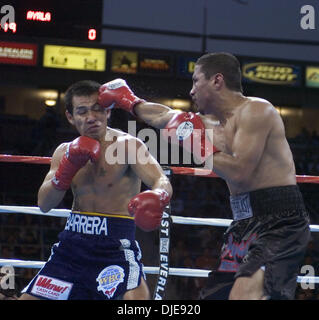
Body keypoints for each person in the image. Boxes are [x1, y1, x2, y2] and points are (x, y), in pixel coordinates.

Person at [97, 52, 311, 300]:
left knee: (245, 295)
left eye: (196, 81)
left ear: (217, 81)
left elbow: (240, 172)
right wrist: (128, 100)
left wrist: (194, 143)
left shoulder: (257, 111)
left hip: (280, 222)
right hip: (243, 224)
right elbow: (162, 116)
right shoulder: (210, 124)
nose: (191, 91)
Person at [19, 80, 172, 300]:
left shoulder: (129, 145)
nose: (91, 117)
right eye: (82, 111)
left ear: (108, 111)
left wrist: (157, 195)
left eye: (98, 109)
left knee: (136, 301)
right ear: (70, 117)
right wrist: (66, 170)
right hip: (71, 247)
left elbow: (161, 180)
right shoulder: (64, 152)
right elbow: (44, 204)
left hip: (115, 247)